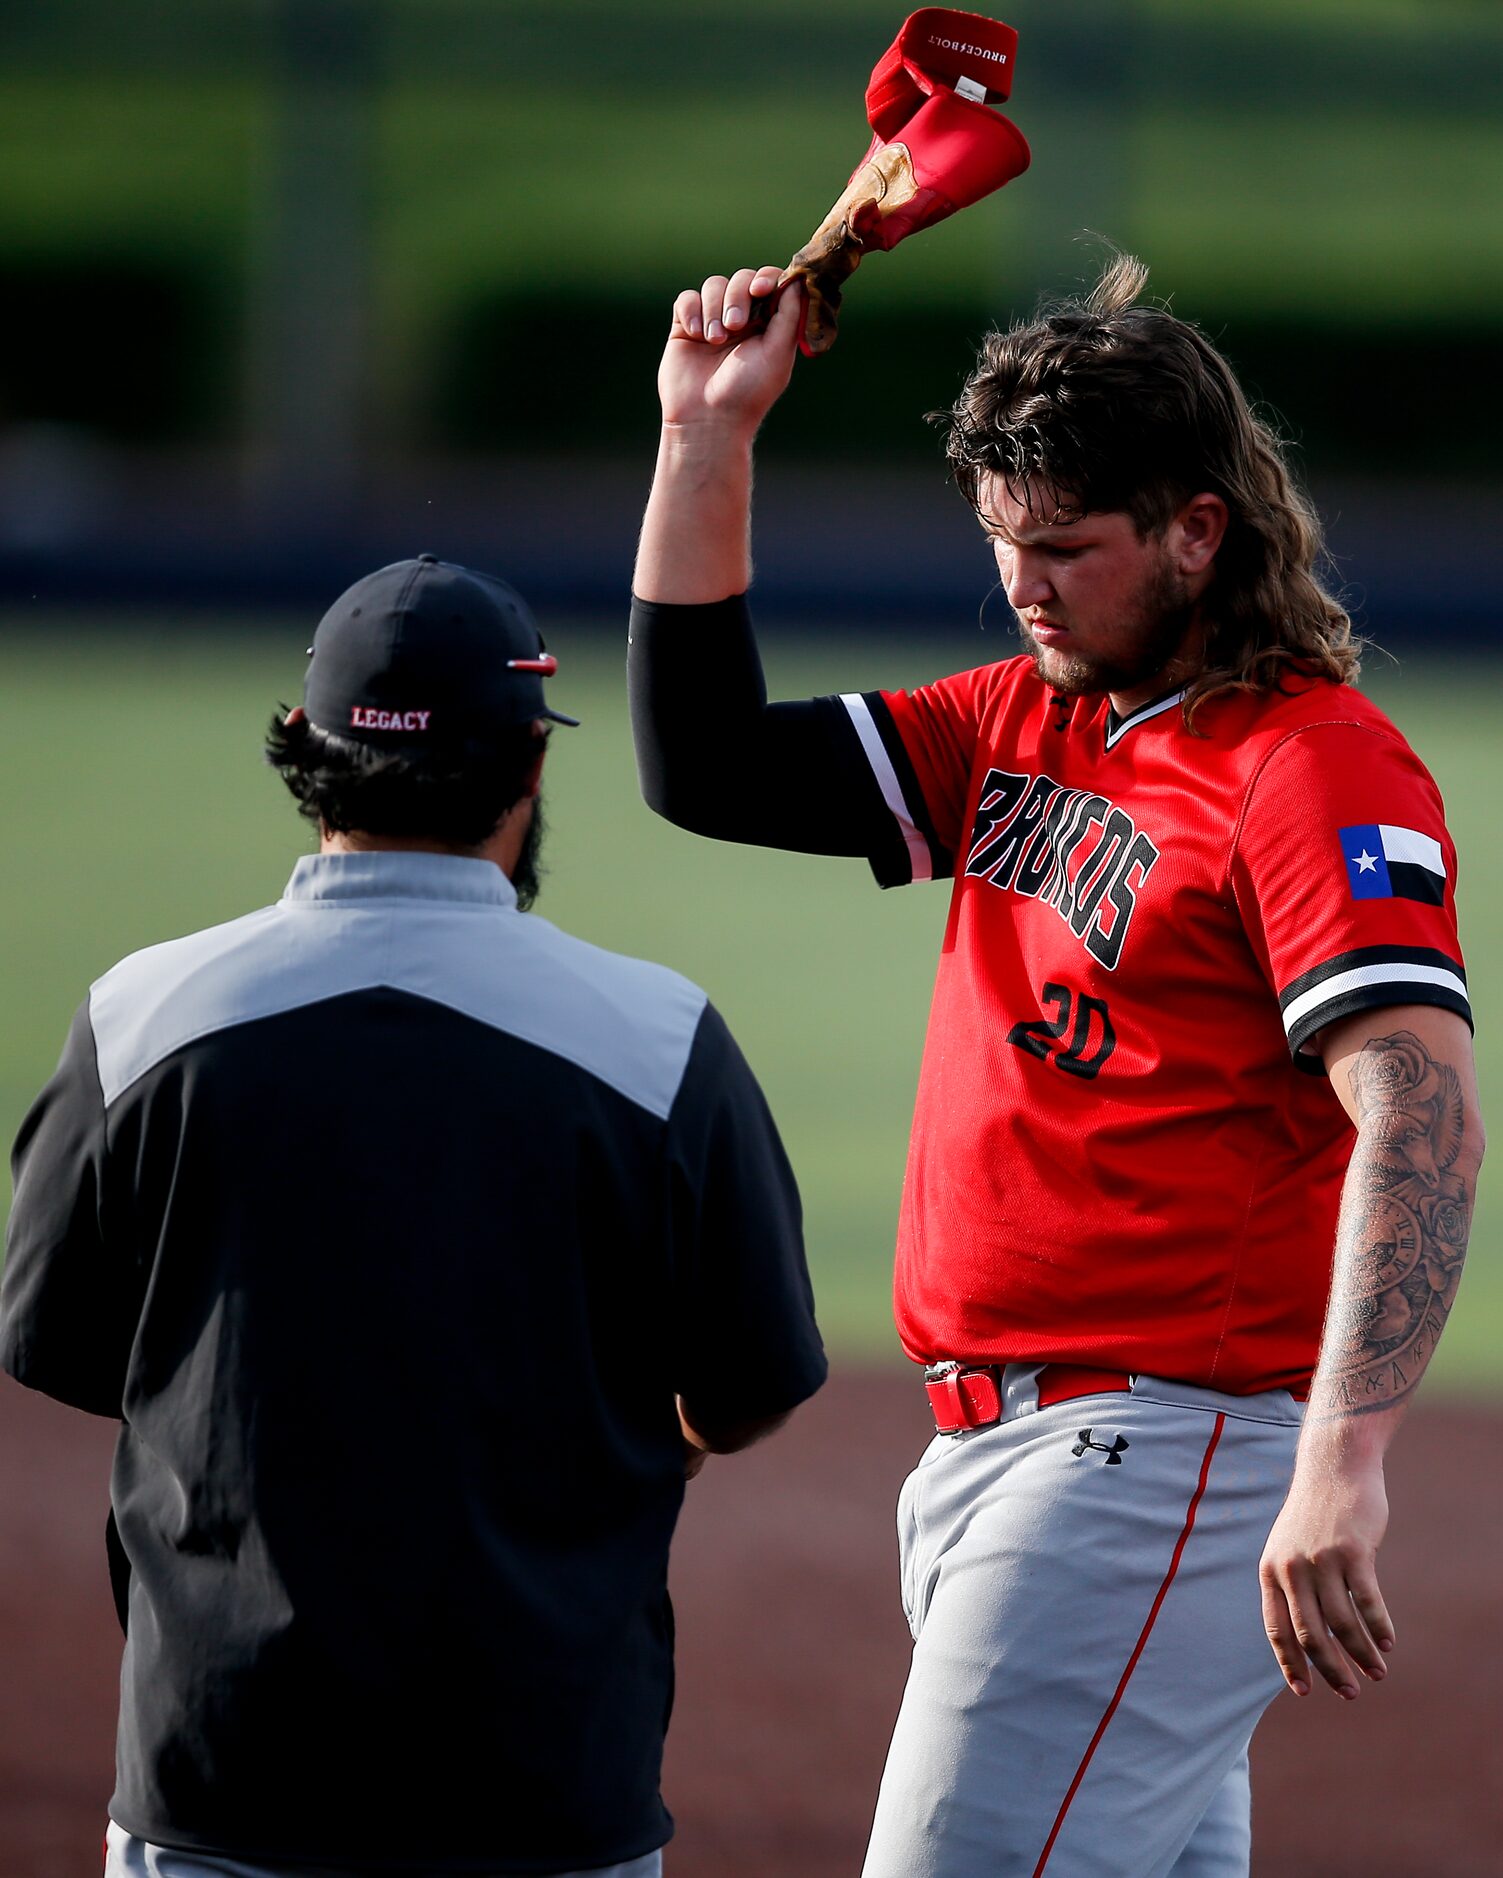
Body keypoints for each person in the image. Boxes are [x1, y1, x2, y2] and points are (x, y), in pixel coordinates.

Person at [627, 259, 1484, 1876]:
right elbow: (708, 764)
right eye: (1003, 541)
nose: (1025, 585)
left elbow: (1424, 1114)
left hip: (1150, 1461)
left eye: (1067, 549)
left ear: (1195, 531)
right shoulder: (1028, 718)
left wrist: (1344, 1464)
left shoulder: (1311, 767)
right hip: (1003, 1461)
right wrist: (704, 436)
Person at [1, 554, 827, 1878]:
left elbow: (63, 1346)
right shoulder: (659, 1040)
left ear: (302, 752)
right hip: (545, 1794)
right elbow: (752, 1379)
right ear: (528, 768)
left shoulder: (139, 1016)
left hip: (220, 1780)